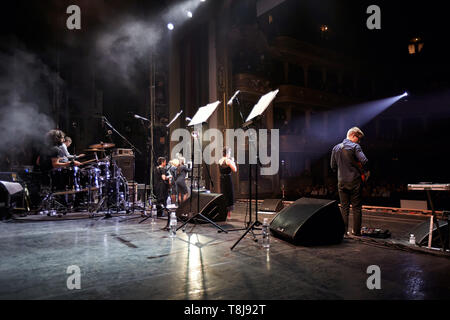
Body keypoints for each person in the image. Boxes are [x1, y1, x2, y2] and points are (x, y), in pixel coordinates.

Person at [331, 127, 369, 236]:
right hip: (355, 181)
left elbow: (332, 166)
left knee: (344, 208)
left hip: (341, 182)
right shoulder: (355, 146)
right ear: (353, 135)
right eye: (359, 138)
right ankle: (356, 232)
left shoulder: (336, 147)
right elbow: (364, 161)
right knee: (356, 208)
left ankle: (344, 232)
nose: (359, 141)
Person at [219, 147, 237, 218]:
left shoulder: (220, 160)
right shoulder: (228, 161)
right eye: (229, 153)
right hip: (227, 179)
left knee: (224, 195)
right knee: (229, 195)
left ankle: (224, 212)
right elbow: (235, 169)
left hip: (222, 179)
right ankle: (228, 214)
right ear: (227, 153)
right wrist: (233, 161)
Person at [154, 157, 170, 229]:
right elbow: (164, 178)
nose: (165, 163)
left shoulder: (156, 168)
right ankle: (163, 213)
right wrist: (169, 176)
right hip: (162, 186)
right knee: (163, 199)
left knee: (158, 199)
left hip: (157, 185)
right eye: (165, 162)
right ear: (163, 162)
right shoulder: (163, 169)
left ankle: (159, 213)